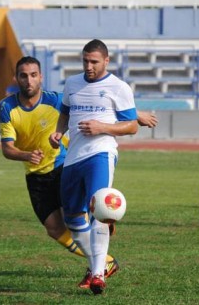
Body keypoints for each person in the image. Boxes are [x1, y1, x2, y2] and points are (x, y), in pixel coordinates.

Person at [0, 56, 157, 289]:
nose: (29, 80)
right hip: (35, 175)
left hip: (63, 165)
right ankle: (105, 261)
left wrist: (137, 115)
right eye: (23, 75)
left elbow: (95, 106)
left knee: (82, 216)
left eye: (33, 75)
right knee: (54, 229)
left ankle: (99, 258)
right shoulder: (7, 107)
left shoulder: (54, 100)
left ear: (41, 77)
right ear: (16, 78)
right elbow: (7, 149)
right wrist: (25, 155)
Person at [49, 39, 139, 295]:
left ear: (106, 61)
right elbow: (65, 113)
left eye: (94, 62)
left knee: (100, 208)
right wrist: (58, 132)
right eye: (85, 61)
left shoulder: (118, 87)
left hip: (101, 154)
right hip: (73, 158)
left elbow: (132, 126)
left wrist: (103, 128)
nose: (89, 66)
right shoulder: (72, 83)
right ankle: (97, 265)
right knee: (73, 220)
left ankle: (98, 275)